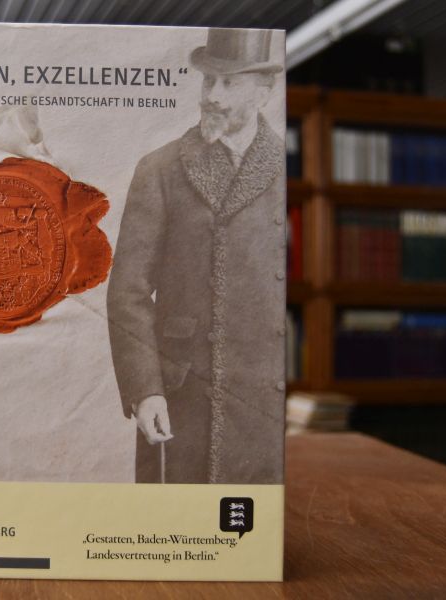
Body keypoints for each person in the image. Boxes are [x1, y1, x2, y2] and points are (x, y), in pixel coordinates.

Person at [107, 29, 287, 484]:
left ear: (263, 91)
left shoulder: (287, 173)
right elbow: (127, 293)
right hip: (182, 400)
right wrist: (146, 390)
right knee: (176, 523)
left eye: (230, 83)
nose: (213, 96)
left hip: (266, 405)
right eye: (208, 81)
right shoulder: (160, 170)